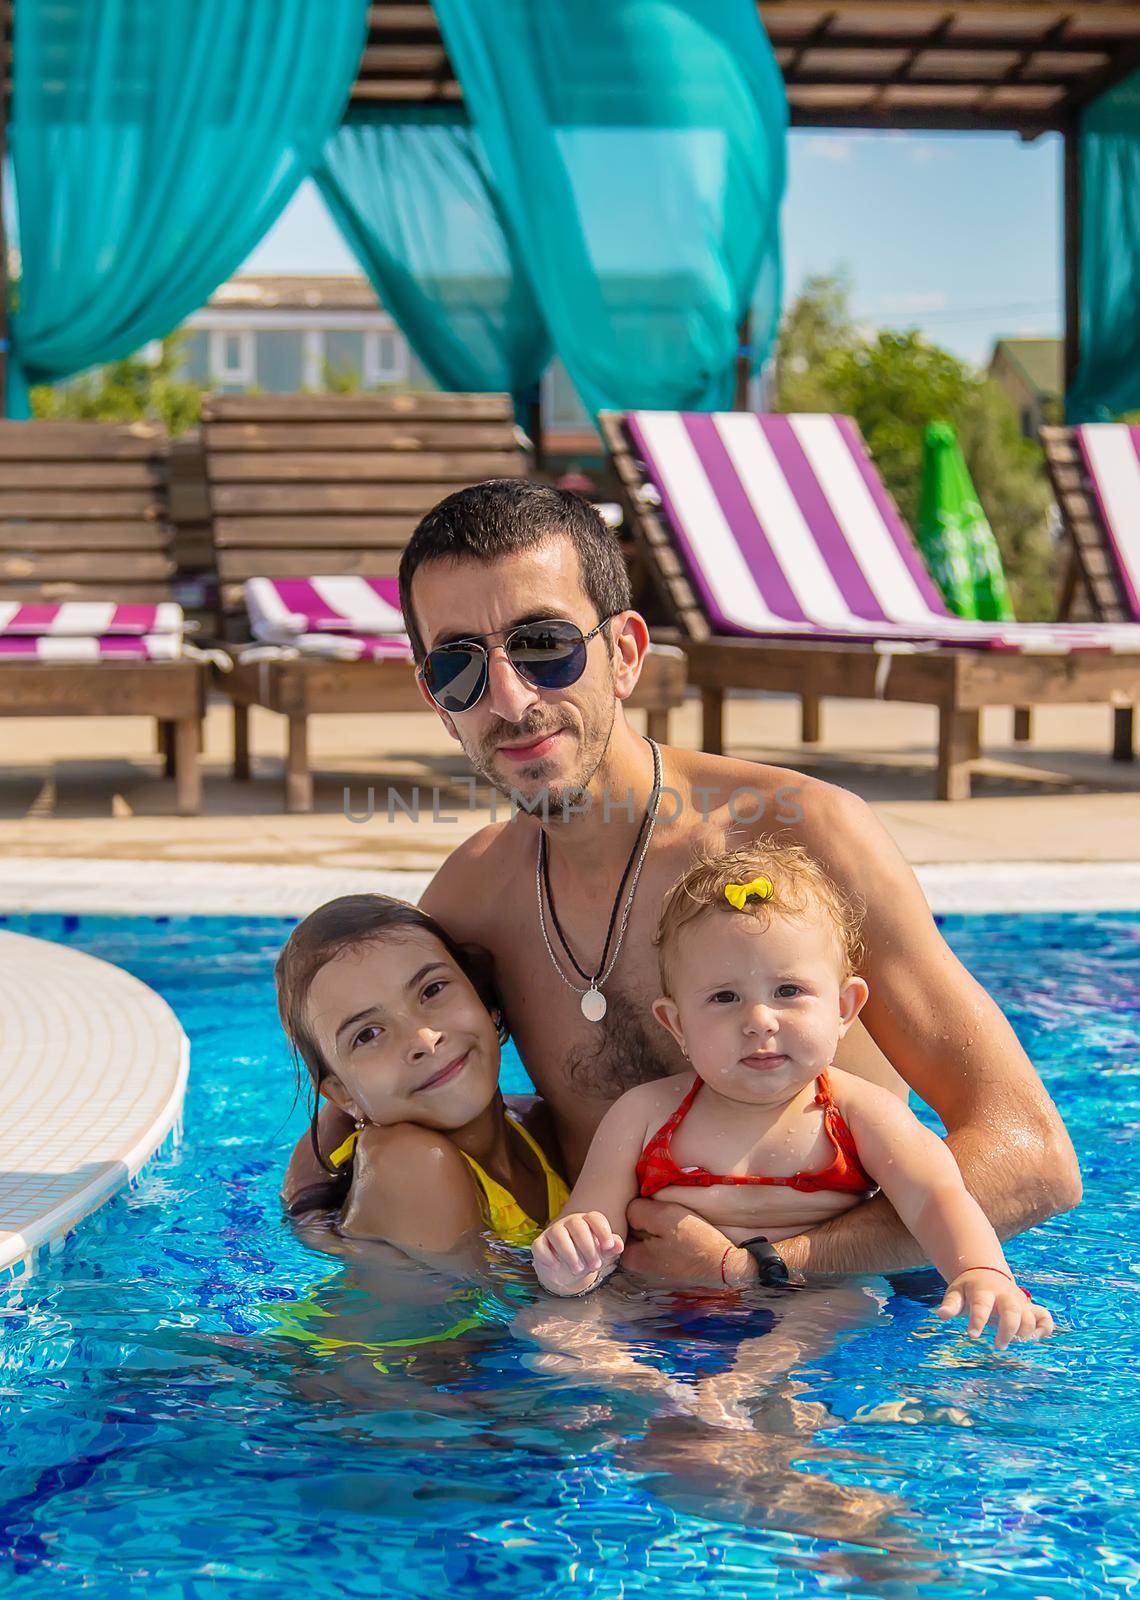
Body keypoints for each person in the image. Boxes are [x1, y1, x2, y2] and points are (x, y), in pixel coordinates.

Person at [285, 479, 1081, 1287]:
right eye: (460, 668)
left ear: (625, 652)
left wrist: (767, 1266)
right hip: (616, 1337)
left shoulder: (800, 836)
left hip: (852, 1341)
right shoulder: (475, 899)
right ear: (434, 699)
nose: (510, 699)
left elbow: (1035, 1157)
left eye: (544, 646)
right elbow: (338, 1125)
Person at [531, 842, 1055, 1351]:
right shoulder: (642, 1115)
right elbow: (591, 1229)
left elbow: (936, 1196)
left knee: (845, 1307)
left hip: (809, 1302)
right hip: (657, 1306)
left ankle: (740, 1392)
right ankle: (656, 1391)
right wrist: (570, 1265)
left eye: (788, 992)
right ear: (677, 1024)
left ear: (845, 1007)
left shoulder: (859, 1112)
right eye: (724, 997)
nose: (759, 1021)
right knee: (550, 1335)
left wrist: (980, 1270)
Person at [276, 892, 569, 1258]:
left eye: (432, 990)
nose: (424, 1040)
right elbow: (487, 1313)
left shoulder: (538, 1126)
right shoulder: (411, 1164)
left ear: (486, 1002)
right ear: (342, 1094)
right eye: (367, 1034)